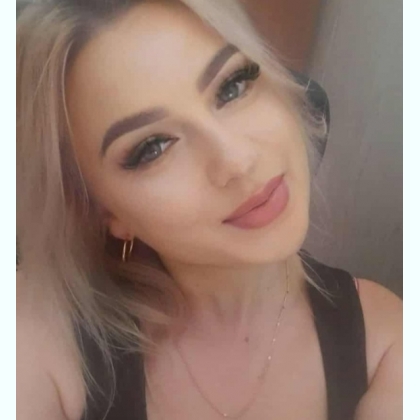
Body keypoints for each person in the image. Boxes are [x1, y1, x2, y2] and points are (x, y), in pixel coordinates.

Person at [16, 1, 402, 419]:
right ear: (104, 212)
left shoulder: (389, 344)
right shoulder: (36, 328)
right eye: (153, 147)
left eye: (233, 86)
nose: (238, 160)